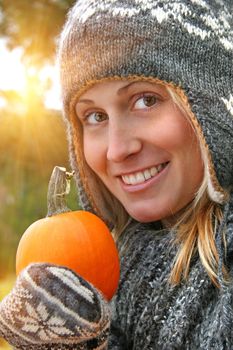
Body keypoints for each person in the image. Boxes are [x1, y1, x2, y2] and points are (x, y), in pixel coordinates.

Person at [0, 0, 233, 349]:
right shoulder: (109, 273)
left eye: (146, 100)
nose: (116, 149)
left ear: (214, 106)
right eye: (94, 116)